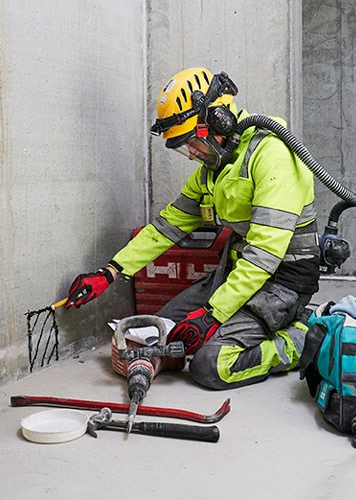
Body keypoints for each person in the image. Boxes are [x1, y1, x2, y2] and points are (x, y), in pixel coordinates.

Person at [64, 67, 320, 390]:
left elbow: (264, 256)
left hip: (283, 283)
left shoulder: (274, 156)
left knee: (210, 365)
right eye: (184, 148)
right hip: (240, 274)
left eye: (192, 143)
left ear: (218, 122)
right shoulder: (214, 170)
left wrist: (212, 315)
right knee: (162, 330)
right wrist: (110, 272)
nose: (192, 155)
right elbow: (166, 227)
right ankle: (247, 320)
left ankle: (300, 338)